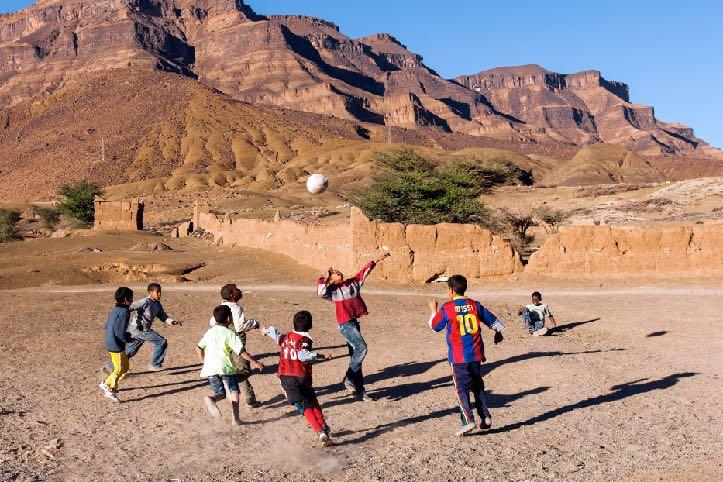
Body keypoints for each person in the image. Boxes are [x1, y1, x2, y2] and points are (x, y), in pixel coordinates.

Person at [427, 275, 505, 436]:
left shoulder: (448, 308)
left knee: (461, 388)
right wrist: (497, 333)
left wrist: (433, 310)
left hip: (458, 357)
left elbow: (435, 327)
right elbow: (496, 323)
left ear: (450, 290)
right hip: (476, 354)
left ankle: (469, 420)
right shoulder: (474, 305)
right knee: (477, 386)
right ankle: (485, 416)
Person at [317, 253, 390, 401]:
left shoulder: (353, 282)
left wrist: (376, 260)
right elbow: (320, 292)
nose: (339, 272)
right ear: (332, 280)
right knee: (361, 348)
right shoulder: (332, 291)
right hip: (345, 325)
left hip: (354, 323)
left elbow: (365, 271)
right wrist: (326, 277)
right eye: (335, 273)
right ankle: (349, 377)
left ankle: (359, 389)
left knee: (356, 357)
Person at [263, 311, 334, 447]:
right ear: (310, 325)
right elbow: (303, 355)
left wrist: (266, 330)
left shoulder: (286, 337)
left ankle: (320, 431)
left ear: (293, 323)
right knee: (313, 402)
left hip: (286, 377)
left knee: (304, 405)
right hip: (303, 376)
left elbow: (276, 335)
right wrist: (321, 355)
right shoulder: (305, 339)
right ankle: (323, 427)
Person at [197, 305, 265, 426]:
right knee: (234, 392)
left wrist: (204, 362)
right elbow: (241, 352)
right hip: (226, 368)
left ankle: (211, 399)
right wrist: (254, 362)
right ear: (229, 318)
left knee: (221, 393)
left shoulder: (209, 332)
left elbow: (198, 348)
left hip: (210, 368)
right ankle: (236, 419)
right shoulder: (229, 333)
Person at [104, 282, 182, 373]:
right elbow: (129, 306)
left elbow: (163, 316)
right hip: (140, 329)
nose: (159, 294)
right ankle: (154, 364)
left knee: (130, 351)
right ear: (150, 292)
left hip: (137, 331)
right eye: (157, 292)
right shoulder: (145, 301)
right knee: (161, 342)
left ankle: (110, 368)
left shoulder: (158, 304)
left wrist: (172, 322)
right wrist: (121, 313)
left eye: (160, 291)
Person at [209, 284, 261, 408]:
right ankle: (228, 384)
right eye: (237, 289)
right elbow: (239, 326)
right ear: (232, 295)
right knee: (243, 371)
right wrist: (254, 323)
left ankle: (250, 399)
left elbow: (212, 322)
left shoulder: (221, 307)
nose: (240, 291)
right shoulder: (236, 308)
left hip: (224, 343)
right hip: (236, 342)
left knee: (237, 369)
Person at [99, 287, 137, 403]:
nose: (132, 300)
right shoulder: (125, 311)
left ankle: (109, 383)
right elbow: (119, 331)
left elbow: (107, 326)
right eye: (131, 298)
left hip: (111, 340)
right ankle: (109, 387)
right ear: (126, 299)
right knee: (119, 369)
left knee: (125, 367)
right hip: (115, 344)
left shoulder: (116, 309)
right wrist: (128, 339)